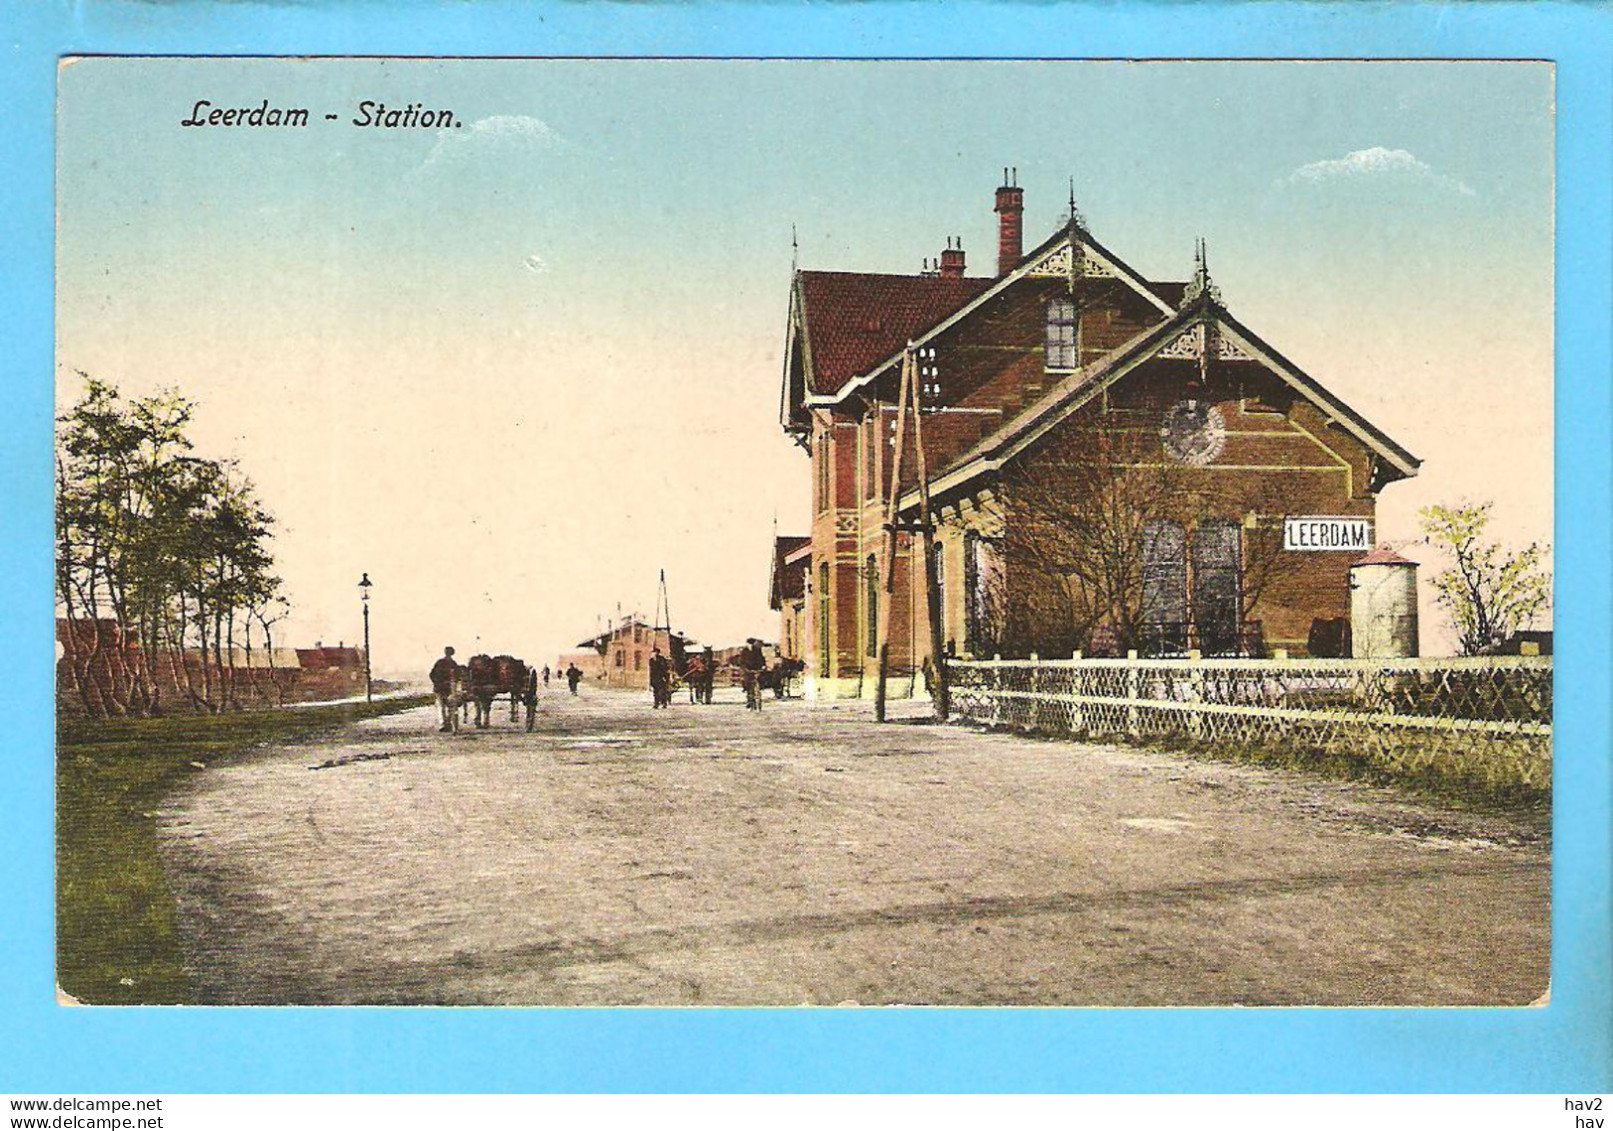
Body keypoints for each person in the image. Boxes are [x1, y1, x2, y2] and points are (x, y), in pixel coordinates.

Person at [429, 646, 458, 732]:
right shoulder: (453, 664)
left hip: (440, 687)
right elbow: (456, 677)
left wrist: (436, 683)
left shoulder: (439, 662)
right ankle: (447, 723)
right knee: (450, 707)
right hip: (447, 688)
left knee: (441, 707)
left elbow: (432, 674)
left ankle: (444, 724)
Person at [737, 638, 766, 711]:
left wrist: (763, 666)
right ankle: (750, 702)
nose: (751, 645)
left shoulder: (757, 650)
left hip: (757, 670)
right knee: (748, 687)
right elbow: (741, 662)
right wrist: (745, 669)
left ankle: (758, 701)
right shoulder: (744, 651)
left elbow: (762, 659)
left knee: (760, 683)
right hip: (748, 671)